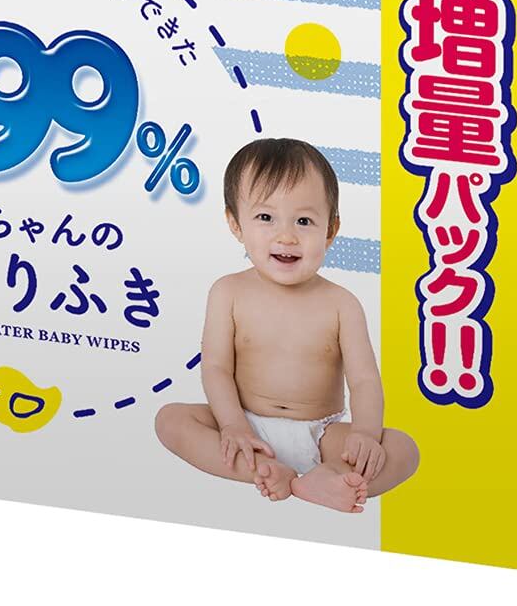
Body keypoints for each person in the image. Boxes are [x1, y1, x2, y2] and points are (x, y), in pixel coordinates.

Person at [154, 138, 419, 513]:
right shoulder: (228, 292)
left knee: (403, 449)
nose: (287, 236)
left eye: (304, 221)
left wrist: (364, 433)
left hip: (321, 434)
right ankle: (264, 471)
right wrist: (232, 425)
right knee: (171, 420)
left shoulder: (341, 304)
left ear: (330, 230)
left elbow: (364, 380)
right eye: (266, 218)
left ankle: (327, 476)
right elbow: (215, 367)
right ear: (235, 223)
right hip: (245, 425)